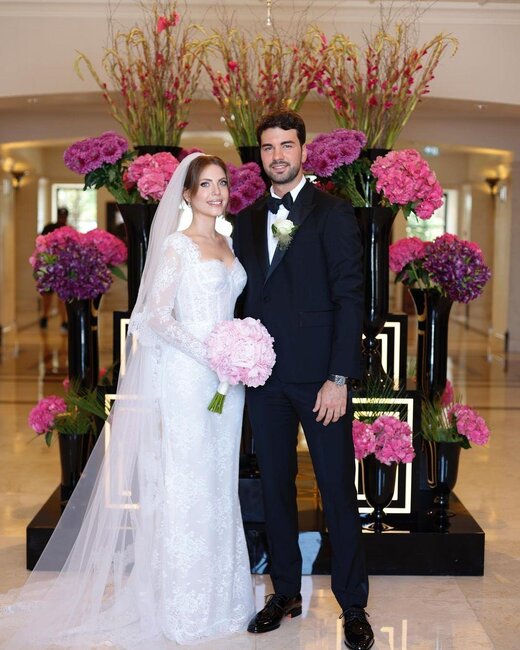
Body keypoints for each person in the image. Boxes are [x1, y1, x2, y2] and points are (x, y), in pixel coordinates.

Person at [0, 153, 255, 648]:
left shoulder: (227, 242)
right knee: (187, 481)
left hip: (229, 380)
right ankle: (181, 604)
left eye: (222, 183)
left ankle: (222, 598)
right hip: (189, 375)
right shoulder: (178, 246)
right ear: (186, 194)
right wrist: (210, 352)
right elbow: (155, 316)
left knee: (219, 482)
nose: (217, 193)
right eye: (206, 185)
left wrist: (239, 352)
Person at [232, 110, 374, 650]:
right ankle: (285, 592)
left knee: (336, 489)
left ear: (303, 151)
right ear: (260, 155)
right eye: (268, 148)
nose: (277, 156)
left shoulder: (333, 213)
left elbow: (350, 297)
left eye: (286, 146)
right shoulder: (246, 220)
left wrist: (339, 376)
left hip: (320, 381)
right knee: (275, 487)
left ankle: (353, 603)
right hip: (264, 380)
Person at [39, 207, 69, 331]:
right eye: (61, 216)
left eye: (64, 216)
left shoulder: (68, 230)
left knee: (62, 296)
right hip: (49, 266)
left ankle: (63, 321)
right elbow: (41, 245)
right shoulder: (49, 228)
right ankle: (44, 317)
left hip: (62, 267)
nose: (62, 218)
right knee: (47, 295)